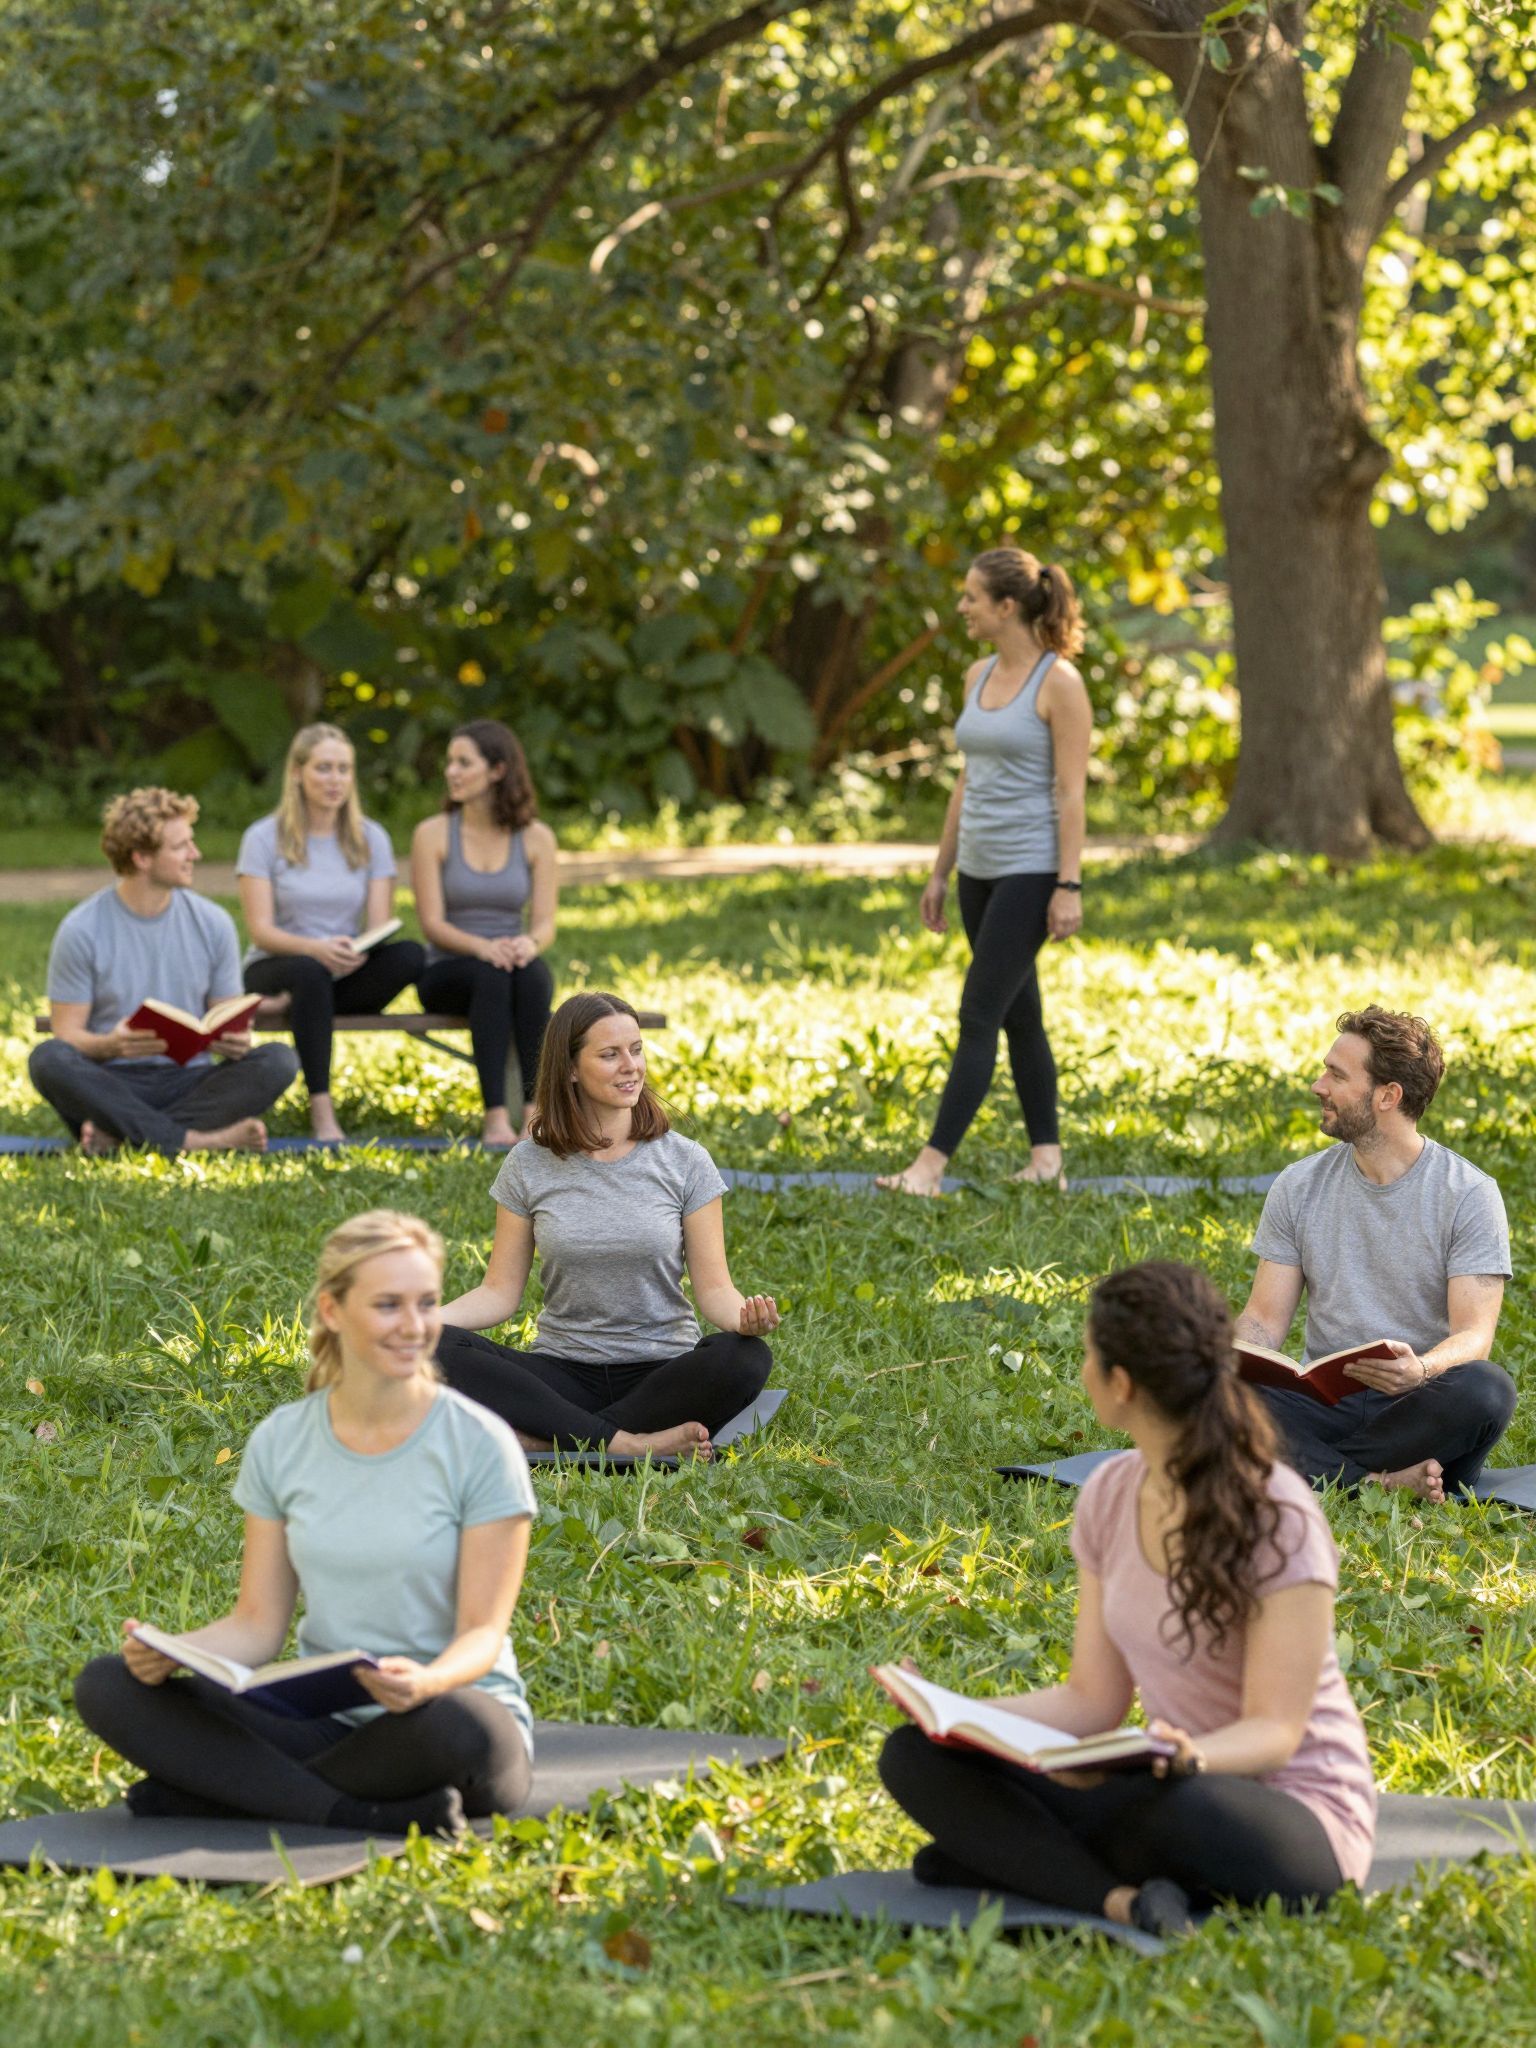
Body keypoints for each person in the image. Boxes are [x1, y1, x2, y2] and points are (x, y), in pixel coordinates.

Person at [879, 1261, 1377, 1937]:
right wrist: (955, 1714)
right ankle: (1124, 1901)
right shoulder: (1110, 1495)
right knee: (913, 1757)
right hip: (1161, 1778)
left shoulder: (1279, 1512)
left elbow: (1276, 1732)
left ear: (1121, 1384)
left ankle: (1019, 1860)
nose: (1081, 1369)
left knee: (1155, 1805)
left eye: (1088, 1355)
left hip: (1287, 1814)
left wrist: (1186, 1759)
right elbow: (1090, 1700)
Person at [74, 1211, 537, 1836]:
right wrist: (174, 1652)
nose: (415, 1325)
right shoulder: (283, 1440)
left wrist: (427, 1679)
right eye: (389, 1305)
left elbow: (482, 1636)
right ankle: (352, 1813)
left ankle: (226, 1792)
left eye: (427, 1303)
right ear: (333, 1311)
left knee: (463, 1731)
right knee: (108, 1685)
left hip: (438, 1716)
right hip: (326, 1720)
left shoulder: (481, 1443)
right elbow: (257, 1626)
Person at [435, 992, 776, 1457]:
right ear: (571, 1067)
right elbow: (498, 1293)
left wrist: (745, 1318)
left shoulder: (686, 1161)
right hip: (561, 1373)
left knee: (745, 1359)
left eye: (636, 1050)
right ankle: (631, 1444)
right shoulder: (528, 1164)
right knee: (434, 1347)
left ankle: (548, 1439)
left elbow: (714, 1290)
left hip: (662, 1373)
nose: (630, 1066)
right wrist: (420, 1325)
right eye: (610, 1054)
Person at [1235, 1006, 1514, 1504]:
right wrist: (1223, 1358)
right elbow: (1262, 1320)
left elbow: (1474, 1335)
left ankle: (1302, 1465)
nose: (1319, 1086)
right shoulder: (1298, 1186)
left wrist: (1422, 1370)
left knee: (1488, 1389)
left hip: (1419, 1406)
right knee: (1212, 1391)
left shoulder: (1469, 1193)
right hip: (1322, 1404)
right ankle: (1376, 1483)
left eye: (1336, 1075)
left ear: (1388, 1096)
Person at [878, 546, 1092, 1196]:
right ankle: (1046, 1160)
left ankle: (929, 1168)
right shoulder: (976, 675)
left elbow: (1071, 792)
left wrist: (1067, 883)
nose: (962, 607)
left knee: (979, 1014)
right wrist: (941, 871)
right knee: (1020, 1014)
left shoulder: (1060, 683)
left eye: (972, 597)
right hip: (978, 869)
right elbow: (968, 779)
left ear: (1007, 606)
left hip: (1031, 871)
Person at [28, 788, 299, 1154]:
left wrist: (235, 1041)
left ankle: (123, 1136)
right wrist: (110, 1045)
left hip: (190, 1080)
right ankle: (198, 1141)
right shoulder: (82, 929)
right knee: (48, 1059)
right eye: (181, 847)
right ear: (141, 857)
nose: (195, 854)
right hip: (113, 1081)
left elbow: (227, 1015)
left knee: (278, 1061)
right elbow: (68, 1034)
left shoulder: (213, 923)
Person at [238, 724, 425, 1140]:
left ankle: (291, 1005)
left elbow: (380, 927)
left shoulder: (371, 838)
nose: (335, 779)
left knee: (411, 953)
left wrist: (359, 949)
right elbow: (261, 930)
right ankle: (322, 1111)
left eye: (344, 769)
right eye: (324, 768)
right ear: (297, 773)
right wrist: (315, 948)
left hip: (341, 970)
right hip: (277, 964)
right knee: (308, 972)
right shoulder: (263, 838)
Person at [412, 720, 558, 1148]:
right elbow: (432, 924)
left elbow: (545, 922)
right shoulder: (433, 834)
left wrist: (528, 944)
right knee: (492, 977)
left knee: (533, 975)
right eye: (449, 763)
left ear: (497, 770)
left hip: (511, 963)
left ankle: (535, 1115)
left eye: (464, 763)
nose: (451, 772)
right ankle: (495, 1117)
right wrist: (484, 948)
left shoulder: (536, 838)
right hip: (448, 969)